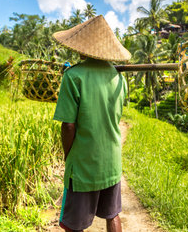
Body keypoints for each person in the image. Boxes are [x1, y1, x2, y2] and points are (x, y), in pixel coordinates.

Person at [52, 15, 131, 232]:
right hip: (111, 160)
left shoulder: (73, 76)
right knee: (112, 214)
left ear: (82, 48)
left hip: (84, 164)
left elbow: (68, 126)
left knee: (73, 225)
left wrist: (69, 157)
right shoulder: (119, 78)